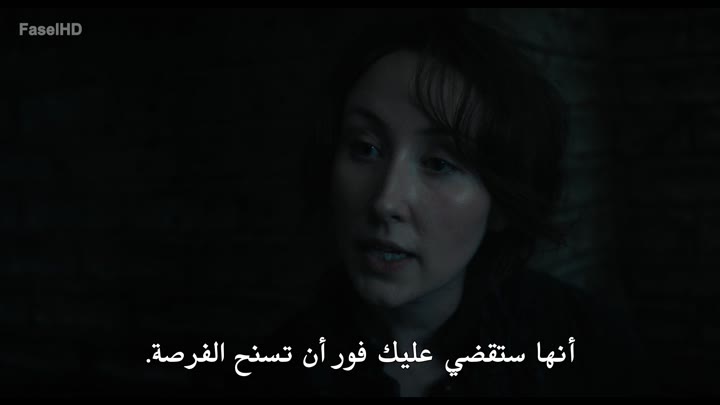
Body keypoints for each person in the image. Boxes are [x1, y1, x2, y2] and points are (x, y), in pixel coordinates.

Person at [219, 11, 647, 397]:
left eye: (439, 163)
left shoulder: (587, 344)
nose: (386, 202)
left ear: (500, 203)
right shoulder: (270, 377)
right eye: (365, 148)